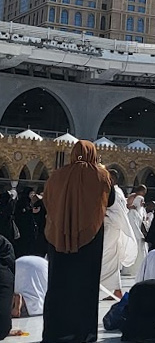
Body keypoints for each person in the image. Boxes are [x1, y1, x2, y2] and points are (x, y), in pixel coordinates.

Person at [42, 140, 114, 343]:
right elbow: (111, 200)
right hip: (89, 241)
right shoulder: (101, 175)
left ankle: (55, 332)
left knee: (58, 286)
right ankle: (84, 334)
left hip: (58, 239)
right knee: (86, 287)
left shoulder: (57, 175)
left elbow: (46, 199)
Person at [100, 169, 137, 300]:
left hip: (112, 228)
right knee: (111, 260)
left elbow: (118, 213)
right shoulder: (118, 192)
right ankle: (116, 290)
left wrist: (105, 214)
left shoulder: (115, 193)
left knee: (105, 258)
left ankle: (111, 288)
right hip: (112, 228)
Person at [13, 188, 47, 258]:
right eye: (31, 193)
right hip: (26, 235)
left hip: (36, 237)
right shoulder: (22, 204)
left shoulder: (39, 207)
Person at [122, 185, 148, 276]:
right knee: (137, 241)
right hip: (134, 220)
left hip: (135, 218)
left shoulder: (133, 197)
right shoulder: (138, 198)